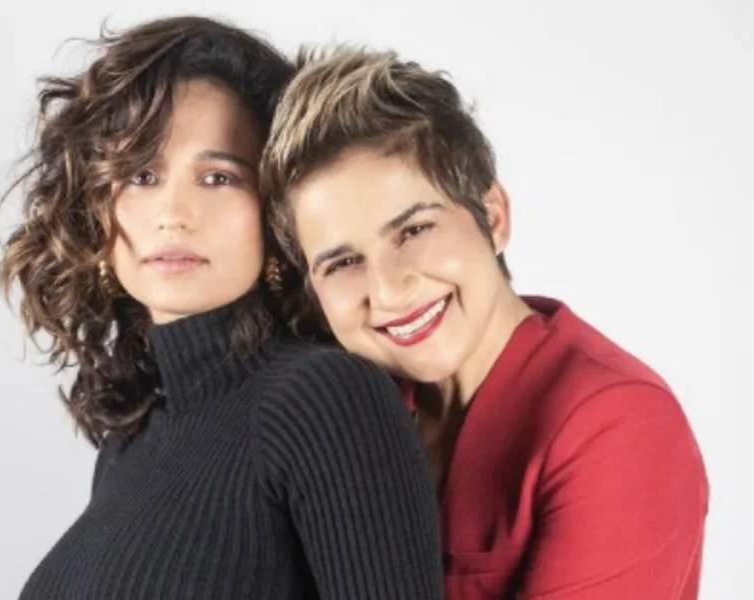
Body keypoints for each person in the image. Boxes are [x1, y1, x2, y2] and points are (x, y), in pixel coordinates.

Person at [0, 20, 444, 599]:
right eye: (141, 175)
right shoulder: (129, 441)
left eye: (217, 177)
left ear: (276, 211)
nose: (173, 214)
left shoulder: (324, 397)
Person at [260, 48, 709, 599]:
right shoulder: (349, 410)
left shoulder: (616, 423)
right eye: (343, 263)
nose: (389, 290)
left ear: (492, 218)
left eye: (414, 230)